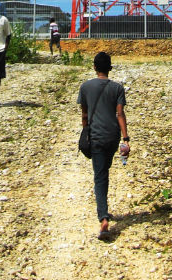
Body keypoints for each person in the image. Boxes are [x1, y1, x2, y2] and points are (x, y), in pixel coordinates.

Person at [77, 51, 130, 240]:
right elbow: (120, 114)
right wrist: (126, 139)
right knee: (104, 171)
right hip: (113, 137)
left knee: (99, 176)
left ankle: (104, 219)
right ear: (110, 68)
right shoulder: (117, 88)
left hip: (97, 136)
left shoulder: (85, 87)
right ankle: (104, 208)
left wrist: (86, 132)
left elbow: (84, 115)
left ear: (94, 67)